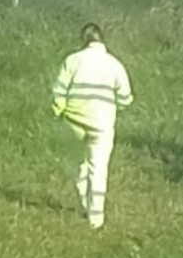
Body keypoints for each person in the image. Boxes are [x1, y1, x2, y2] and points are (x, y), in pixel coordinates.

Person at [51, 23, 133, 229]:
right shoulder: (115, 64)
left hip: (73, 122)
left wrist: (59, 111)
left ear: (83, 40)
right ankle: (96, 218)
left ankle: (85, 203)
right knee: (99, 168)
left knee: (76, 164)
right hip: (102, 125)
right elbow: (125, 98)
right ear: (102, 40)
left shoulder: (72, 60)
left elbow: (58, 92)